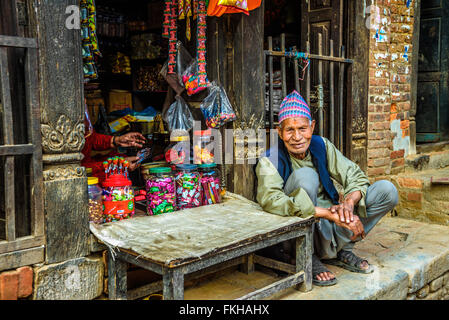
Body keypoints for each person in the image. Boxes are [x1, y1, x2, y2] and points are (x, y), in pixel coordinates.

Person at [255, 90, 398, 286]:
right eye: (289, 130)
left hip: (331, 224)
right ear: (279, 132)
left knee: (386, 191)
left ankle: (342, 249)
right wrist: (327, 213)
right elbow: (271, 200)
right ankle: (306, 256)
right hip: (302, 229)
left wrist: (348, 203)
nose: (297, 137)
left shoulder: (321, 145)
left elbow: (353, 174)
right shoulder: (269, 158)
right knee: (306, 176)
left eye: (303, 129)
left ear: (312, 127)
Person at [82, 103, 146, 182]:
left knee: (119, 156)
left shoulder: (83, 115)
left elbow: (91, 138)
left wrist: (115, 140)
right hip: (80, 170)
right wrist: (116, 165)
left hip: (88, 162)